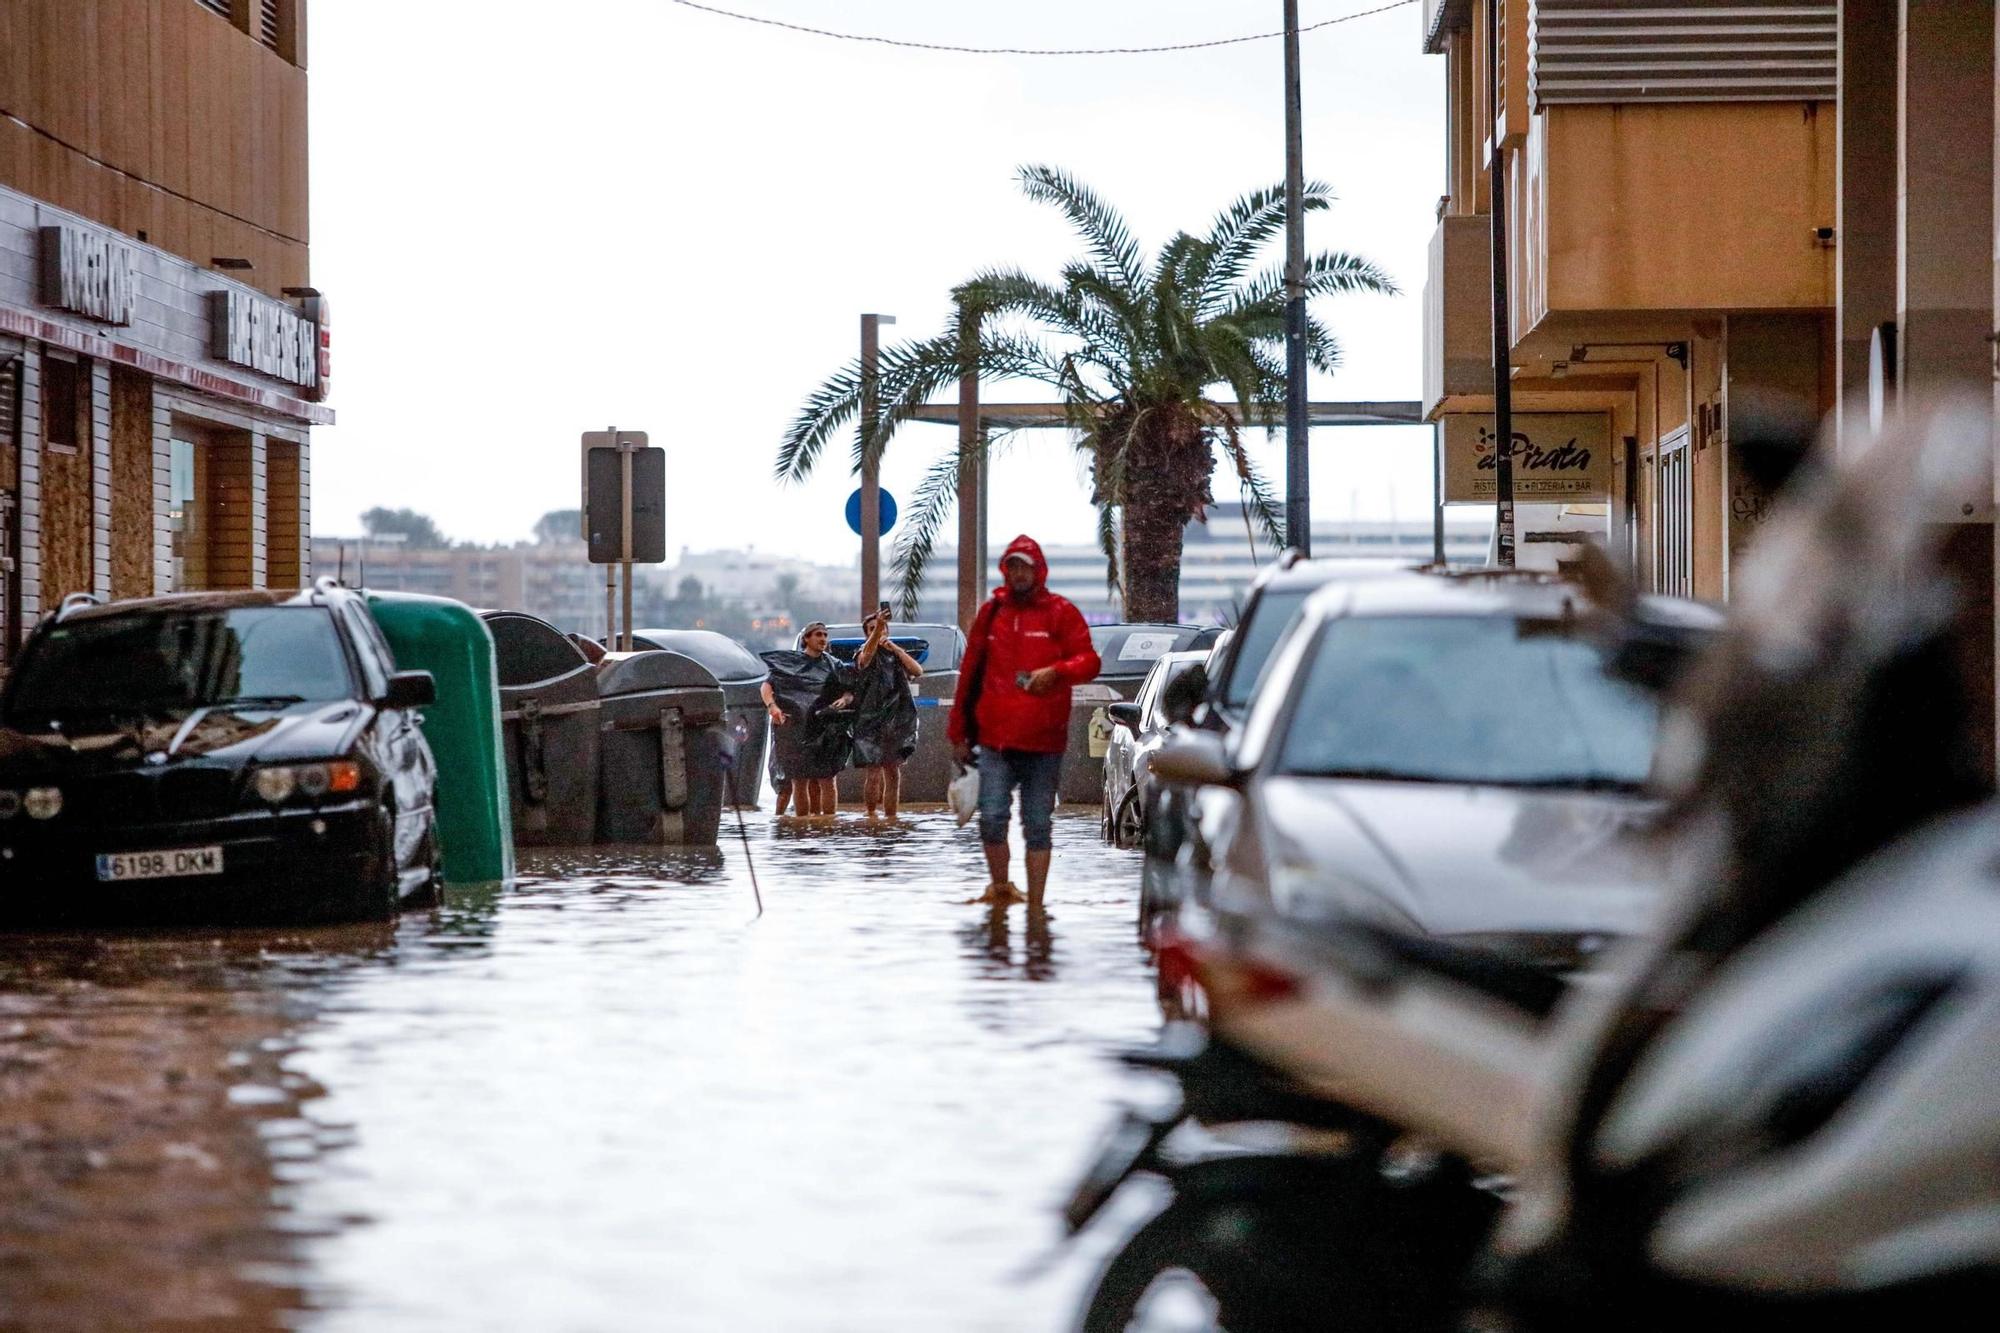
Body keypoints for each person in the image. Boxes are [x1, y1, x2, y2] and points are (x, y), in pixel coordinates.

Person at [949, 535, 1102, 910]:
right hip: (995, 740)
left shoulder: (1061, 613)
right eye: (1012, 566)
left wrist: (1058, 671)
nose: (1018, 574)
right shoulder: (991, 614)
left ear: (1038, 570)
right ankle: (1001, 890)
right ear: (1005, 570)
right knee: (992, 817)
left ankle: (1037, 905)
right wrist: (958, 732)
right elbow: (970, 673)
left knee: (1037, 823)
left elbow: (1089, 661)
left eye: (1025, 567)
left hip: (1044, 743)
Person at [840, 608, 923, 820]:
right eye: (872, 629)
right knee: (874, 773)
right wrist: (877, 627)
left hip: (896, 720)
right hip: (870, 721)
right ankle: (870, 816)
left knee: (893, 773)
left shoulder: (894, 654)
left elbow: (917, 671)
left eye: (881, 627)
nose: (877, 631)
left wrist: (895, 648)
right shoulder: (862, 653)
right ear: (867, 633)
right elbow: (866, 657)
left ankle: (891, 817)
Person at [760, 622, 847, 818]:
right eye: (818, 634)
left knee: (827, 779)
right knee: (799, 780)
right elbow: (766, 686)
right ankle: (802, 827)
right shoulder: (790, 663)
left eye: (825, 635)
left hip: (824, 726)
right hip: (795, 727)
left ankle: (827, 825)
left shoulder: (834, 665)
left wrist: (843, 699)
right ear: (806, 638)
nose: (823, 638)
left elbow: (849, 689)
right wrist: (772, 707)